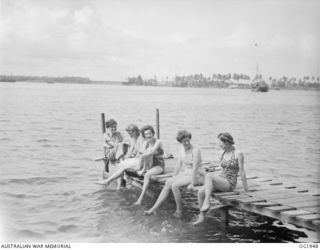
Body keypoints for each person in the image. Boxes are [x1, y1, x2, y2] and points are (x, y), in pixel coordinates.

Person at [144, 130, 205, 218]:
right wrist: (174, 176)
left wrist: (192, 183)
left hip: (197, 174)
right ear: (180, 142)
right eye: (184, 141)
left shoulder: (196, 150)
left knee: (175, 185)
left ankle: (179, 211)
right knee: (169, 182)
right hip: (187, 172)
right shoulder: (181, 149)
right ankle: (153, 209)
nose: (187, 143)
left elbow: (195, 167)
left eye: (188, 140)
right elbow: (178, 164)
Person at [192, 132, 249, 225]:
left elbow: (242, 171)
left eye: (220, 143)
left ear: (226, 142)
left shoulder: (238, 153)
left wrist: (246, 189)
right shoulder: (221, 153)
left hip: (229, 184)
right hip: (221, 180)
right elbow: (222, 168)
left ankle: (207, 202)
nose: (219, 145)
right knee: (200, 191)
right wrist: (214, 175)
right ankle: (201, 216)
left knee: (209, 176)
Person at [134, 125, 165, 205]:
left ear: (153, 133)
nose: (148, 136)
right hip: (149, 164)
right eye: (146, 134)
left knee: (147, 175)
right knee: (145, 153)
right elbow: (143, 153)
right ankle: (142, 169)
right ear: (144, 135)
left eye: (150, 133)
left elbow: (151, 152)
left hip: (159, 165)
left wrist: (141, 152)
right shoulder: (145, 142)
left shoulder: (158, 142)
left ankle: (140, 198)